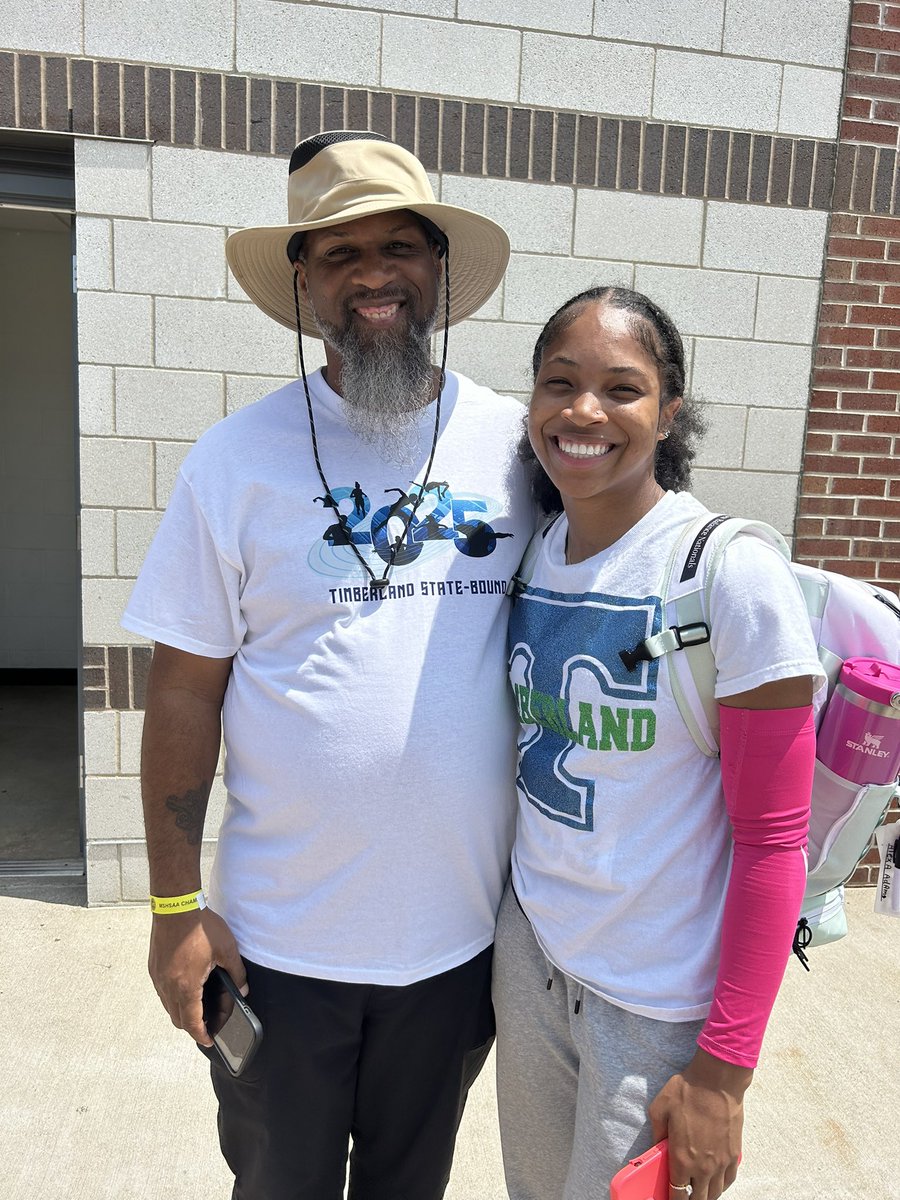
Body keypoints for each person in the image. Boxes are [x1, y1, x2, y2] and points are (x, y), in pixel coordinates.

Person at [121, 131, 535, 1200]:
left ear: (440, 269)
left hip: (453, 954)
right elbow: (183, 690)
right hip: (277, 953)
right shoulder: (234, 459)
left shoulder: (519, 451)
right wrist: (175, 917)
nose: (374, 274)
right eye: (340, 254)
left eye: (400, 245)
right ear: (303, 282)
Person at [493, 286, 825, 1200]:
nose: (584, 411)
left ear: (670, 410)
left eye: (622, 388)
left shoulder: (729, 577)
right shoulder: (534, 549)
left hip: (653, 1005)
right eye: (559, 383)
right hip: (531, 962)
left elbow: (772, 845)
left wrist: (724, 1071)